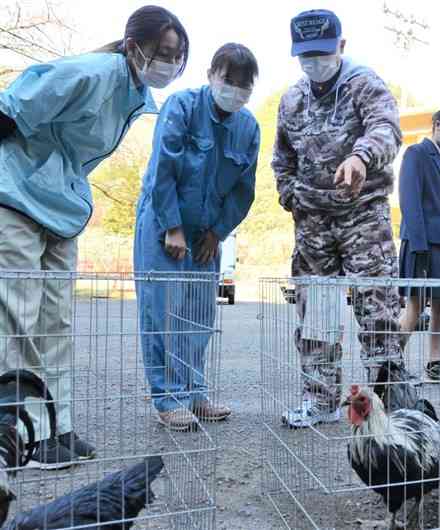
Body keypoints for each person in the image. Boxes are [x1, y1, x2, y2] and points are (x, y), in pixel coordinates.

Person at [0, 5, 187, 469]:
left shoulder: (134, 96)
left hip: (61, 207)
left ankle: (58, 427)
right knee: (20, 319)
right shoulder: (89, 73)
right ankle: (24, 434)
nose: (169, 63)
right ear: (133, 46)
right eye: (163, 52)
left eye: (178, 56)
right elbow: (11, 110)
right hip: (16, 195)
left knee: (57, 320)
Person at [274, 9, 404, 428]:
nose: (314, 62)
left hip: (363, 216)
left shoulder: (364, 84)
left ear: (341, 47)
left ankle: (389, 404)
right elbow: (282, 157)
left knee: (377, 308)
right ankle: (321, 398)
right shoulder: (292, 98)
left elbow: (386, 129)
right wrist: (290, 195)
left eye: (322, 53)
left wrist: (360, 158)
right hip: (313, 222)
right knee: (318, 314)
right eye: (305, 56)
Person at [134, 43, 259, 431]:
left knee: (199, 315)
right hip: (163, 224)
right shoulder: (181, 107)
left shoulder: (248, 127)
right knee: (163, 313)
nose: (234, 89)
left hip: (207, 234)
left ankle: (194, 393)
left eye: (244, 84)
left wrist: (219, 232)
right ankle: (168, 397)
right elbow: (163, 168)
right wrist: (172, 226)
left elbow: (243, 190)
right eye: (228, 80)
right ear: (211, 75)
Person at [398, 107, 440, 386]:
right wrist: (419, 245)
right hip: (421, 243)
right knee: (415, 305)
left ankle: (435, 364)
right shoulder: (416, 153)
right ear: (438, 125)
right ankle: (392, 363)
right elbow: (410, 200)